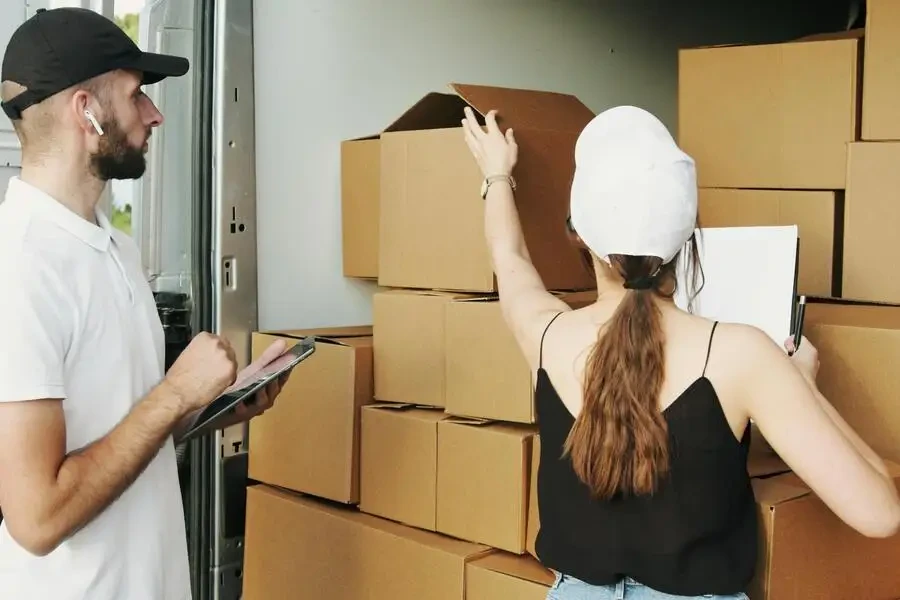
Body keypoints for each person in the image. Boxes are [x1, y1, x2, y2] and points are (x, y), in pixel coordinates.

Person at [461, 104, 900, 599]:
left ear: (577, 234)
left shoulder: (546, 335)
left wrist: (497, 175)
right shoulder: (744, 356)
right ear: (687, 236)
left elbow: (510, 258)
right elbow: (880, 514)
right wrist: (800, 385)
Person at [0, 8, 289, 599]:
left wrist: (210, 407)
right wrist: (176, 391)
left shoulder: (114, 249)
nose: (155, 115)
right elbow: (36, 518)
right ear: (86, 110)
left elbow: (116, 436)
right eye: (137, 96)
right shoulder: (22, 267)